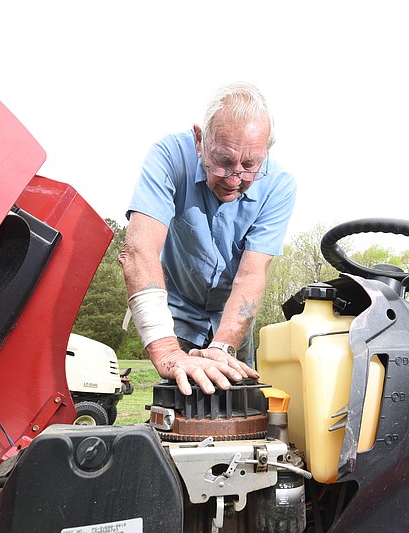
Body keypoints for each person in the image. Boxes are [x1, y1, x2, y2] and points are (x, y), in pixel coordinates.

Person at [119, 81, 296, 396]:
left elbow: (251, 274)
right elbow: (139, 251)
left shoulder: (280, 187)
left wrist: (223, 346)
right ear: (200, 140)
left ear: (265, 152)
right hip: (177, 310)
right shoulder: (169, 156)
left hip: (233, 316)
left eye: (249, 165)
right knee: (177, 407)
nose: (234, 179)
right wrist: (167, 351)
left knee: (240, 408)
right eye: (224, 162)